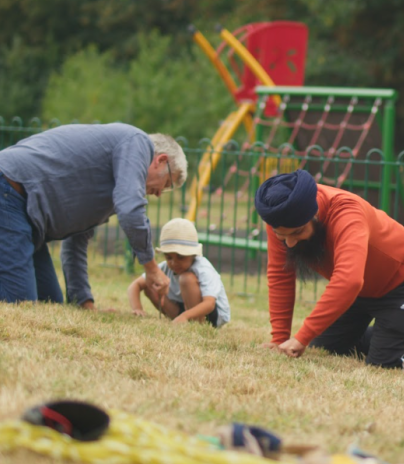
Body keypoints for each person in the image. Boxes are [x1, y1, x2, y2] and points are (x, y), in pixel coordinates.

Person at [254, 169, 404, 371]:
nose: (290, 243)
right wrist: (279, 338)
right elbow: (281, 274)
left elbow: (348, 281)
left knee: (386, 364)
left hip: (402, 281)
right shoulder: (280, 217)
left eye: (297, 232)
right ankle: (399, 331)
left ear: (315, 213)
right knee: (328, 348)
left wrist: (301, 336)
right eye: (281, 236)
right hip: (359, 289)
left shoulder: (347, 213)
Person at [0, 122, 188, 308]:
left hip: (25, 218)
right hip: (9, 191)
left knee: (51, 303)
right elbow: (131, 211)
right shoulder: (137, 142)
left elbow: (75, 243)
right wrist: (152, 269)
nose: (158, 194)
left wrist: (85, 303)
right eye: (166, 185)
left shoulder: (114, 186)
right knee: (21, 305)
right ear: (161, 160)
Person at [127, 218, 231, 327]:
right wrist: (137, 309)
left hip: (210, 315)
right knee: (150, 285)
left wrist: (185, 316)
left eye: (181, 257)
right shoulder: (165, 267)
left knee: (186, 279)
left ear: (193, 254)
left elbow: (209, 303)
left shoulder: (203, 268)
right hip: (182, 309)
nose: (174, 263)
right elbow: (135, 286)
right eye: (168, 257)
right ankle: (178, 321)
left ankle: (197, 324)